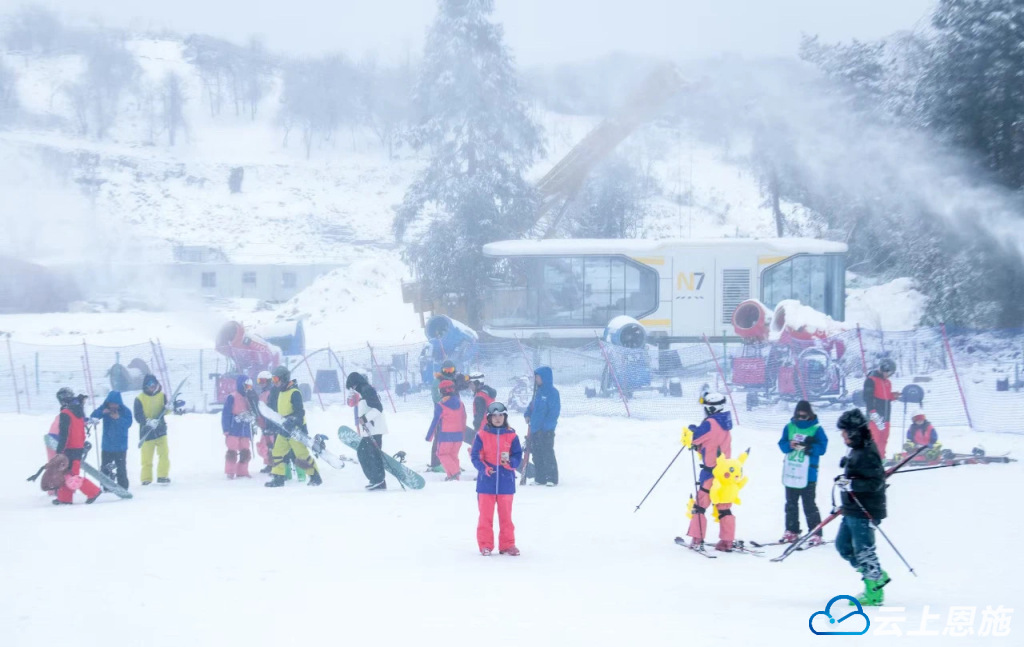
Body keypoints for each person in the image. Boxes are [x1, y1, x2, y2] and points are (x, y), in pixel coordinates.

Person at [834, 408, 889, 606]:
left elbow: (875, 482)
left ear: (854, 432)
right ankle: (875, 574)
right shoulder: (857, 449)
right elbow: (858, 472)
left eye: (845, 432)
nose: (842, 436)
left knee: (864, 550)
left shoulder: (868, 451)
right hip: (851, 508)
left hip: (864, 509)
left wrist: (852, 484)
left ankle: (873, 591)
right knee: (843, 546)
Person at [683, 392, 735, 551]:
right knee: (724, 506)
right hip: (725, 473)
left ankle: (697, 537)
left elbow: (694, 437)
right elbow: (712, 442)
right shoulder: (725, 422)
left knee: (700, 505)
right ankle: (727, 540)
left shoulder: (710, 423)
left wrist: (691, 430)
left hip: (711, 472)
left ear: (711, 408)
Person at [471, 402, 523, 556]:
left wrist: (511, 464)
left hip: (506, 482)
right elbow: (475, 456)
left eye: (501, 415)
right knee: (485, 516)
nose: (498, 418)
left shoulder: (512, 435)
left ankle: (508, 544)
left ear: (505, 417)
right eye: (494, 416)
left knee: (506, 516)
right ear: (489, 418)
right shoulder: (481, 435)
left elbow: (517, 455)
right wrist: (484, 468)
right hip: (486, 482)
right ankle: (485, 545)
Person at [777, 400, 828, 545]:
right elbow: (782, 444)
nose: (800, 419)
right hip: (792, 470)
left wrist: (809, 448)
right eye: (798, 416)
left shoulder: (817, 429)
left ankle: (815, 532)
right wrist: (789, 445)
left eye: (804, 417)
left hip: (808, 473)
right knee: (791, 503)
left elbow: (823, 448)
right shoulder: (789, 427)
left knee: (809, 504)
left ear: (810, 415)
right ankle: (792, 530)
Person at [265, 366, 321, 487]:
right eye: (273, 380)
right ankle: (279, 478)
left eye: (276, 379)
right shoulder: (281, 392)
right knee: (277, 452)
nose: (274, 382)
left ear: (284, 379)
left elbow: (300, 413)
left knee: (301, 456)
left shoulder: (294, 392)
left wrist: (292, 420)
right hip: (284, 429)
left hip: (296, 430)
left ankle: (315, 476)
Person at [53, 388, 102, 505]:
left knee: (71, 477)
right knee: (66, 474)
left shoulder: (65, 414)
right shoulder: (78, 411)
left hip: (69, 448)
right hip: (77, 448)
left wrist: (59, 451)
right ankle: (64, 498)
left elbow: (64, 434)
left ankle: (93, 491)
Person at [346, 371, 389, 491]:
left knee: (369, 454)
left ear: (356, 383)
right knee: (364, 453)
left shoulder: (367, 390)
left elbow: (378, 408)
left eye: (352, 386)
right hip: (370, 429)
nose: (353, 389)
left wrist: (364, 419)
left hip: (375, 429)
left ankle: (378, 480)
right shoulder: (364, 390)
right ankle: (376, 480)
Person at [524, 366, 560, 486]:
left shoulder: (553, 393)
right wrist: (527, 414)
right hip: (535, 429)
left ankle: (551, 478)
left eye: (538, 377)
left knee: (547, 453)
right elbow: (531, 406)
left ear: (545, 378)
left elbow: (553, 413)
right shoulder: (538, 392)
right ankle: (540, 478)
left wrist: (544, 428)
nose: (536, 380)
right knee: (537, 453)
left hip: (546, 431)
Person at [90, 390, 132, 491]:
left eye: (115, 404)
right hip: (107, 445)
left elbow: (128, 424)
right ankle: (106, 486)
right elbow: (93, 417)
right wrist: (101, 412)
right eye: (111, 404)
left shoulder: (126, 411)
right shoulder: (104, 409)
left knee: (121, 467)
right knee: (105, 467)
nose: (113, 406)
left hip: (120, 446)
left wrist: (118, 419)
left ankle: (123, 487)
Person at [426, 379, 467, 481]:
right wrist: (463, 432)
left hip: (445, 436)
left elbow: (435, 421)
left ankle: (454, 472)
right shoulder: (461, 404)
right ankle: (453, 476)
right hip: (458, 435)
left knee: (442, 454)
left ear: (441, 391)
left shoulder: (441, 405)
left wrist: (429, 437)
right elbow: (464, 418)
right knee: (453, 455)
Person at [134, 374, 171, 485]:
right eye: (150, 385)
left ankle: (162, 476)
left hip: (160, 430)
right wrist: (148, 422)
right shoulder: (139, 398)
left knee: (164, 454)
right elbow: (138, 415)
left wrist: (169, 408)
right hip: (147, 432)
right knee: (147, 458)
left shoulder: (161, 396)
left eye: (154, 384)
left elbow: (165, 410)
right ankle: (146, 478)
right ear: (145, 386)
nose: (152, 387)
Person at [863, 358, 901, 458]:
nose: (889, 375)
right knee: (875, 437)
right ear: (884, 368)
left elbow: (886, 397)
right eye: (889, 372)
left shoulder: (887, 382)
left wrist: (893, 396)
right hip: (875, 415)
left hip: (886, 415)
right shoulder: (871, 380)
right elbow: (867, 397)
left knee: (884, 438)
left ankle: (881, 458)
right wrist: (872, 411)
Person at [221, 375, 255, 479]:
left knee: (245, 449)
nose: (248, 388)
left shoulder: (249, 397)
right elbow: (226, 414)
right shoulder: (232, 397)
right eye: (246, 386)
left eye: (250, 386)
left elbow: (254, 410)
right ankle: (230, 471)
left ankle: (242, 471)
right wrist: (226, 429)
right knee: (232, 450)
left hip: (245, 428)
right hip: (233, 427)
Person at [255, 370, 275, 474]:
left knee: (270, 445)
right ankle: (268, 464)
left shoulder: (271, 393)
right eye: (259, 381)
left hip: (270, 423)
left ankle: (274, 465)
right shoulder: (263, 393)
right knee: (265, 444)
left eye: (263, 381)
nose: (261, 383)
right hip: (264, 423)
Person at [468, 374, 496, 444]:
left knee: (479, 449)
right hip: (491, 425)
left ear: (477, 383)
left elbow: (480, 414)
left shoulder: (480, 397)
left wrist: (476, 425)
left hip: (483, 427)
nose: (470, 387)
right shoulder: (487, 393)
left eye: (471, 384)